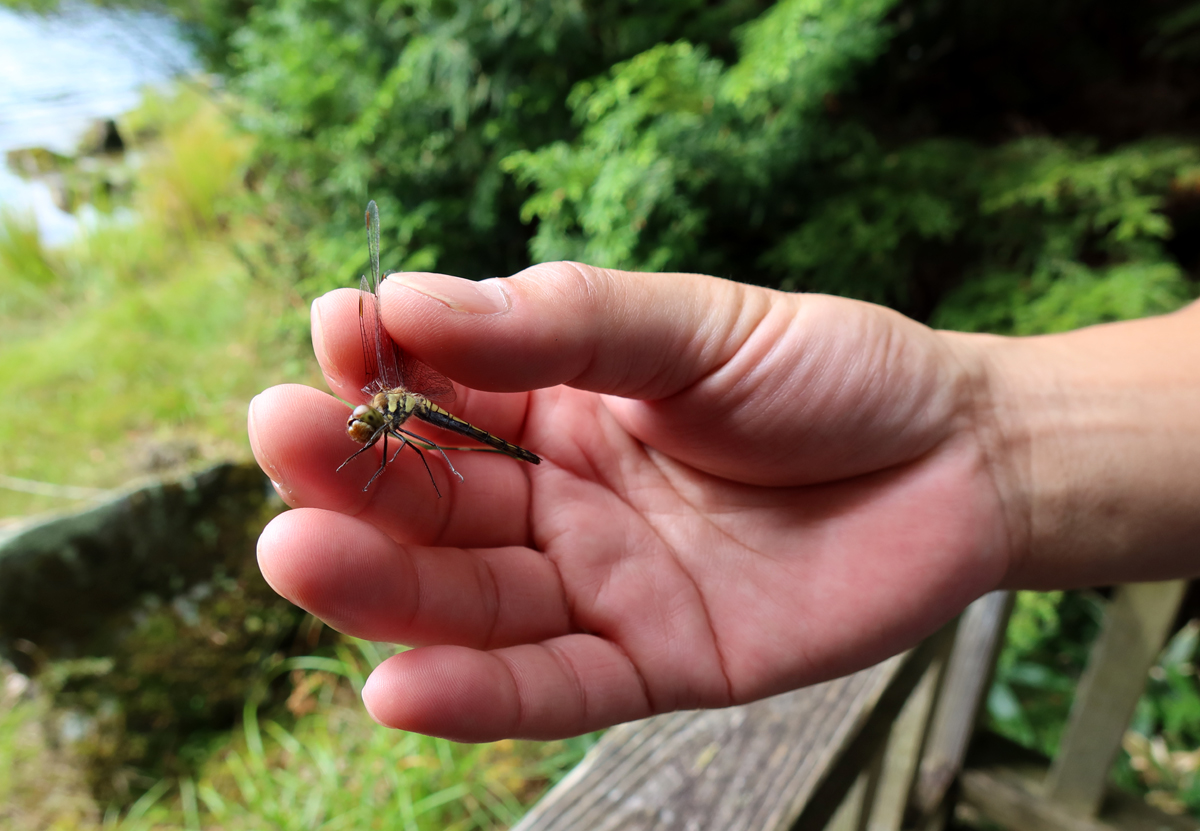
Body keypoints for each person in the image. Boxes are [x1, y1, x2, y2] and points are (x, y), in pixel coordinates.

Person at [248, 263, 1200, 742]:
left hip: (497, 445)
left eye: (374, 425)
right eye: (376, 427)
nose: (371, 425)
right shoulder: (396, 428)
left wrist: (976, 434)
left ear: (383, 414)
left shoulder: (404, 419)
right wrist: (987, 443)